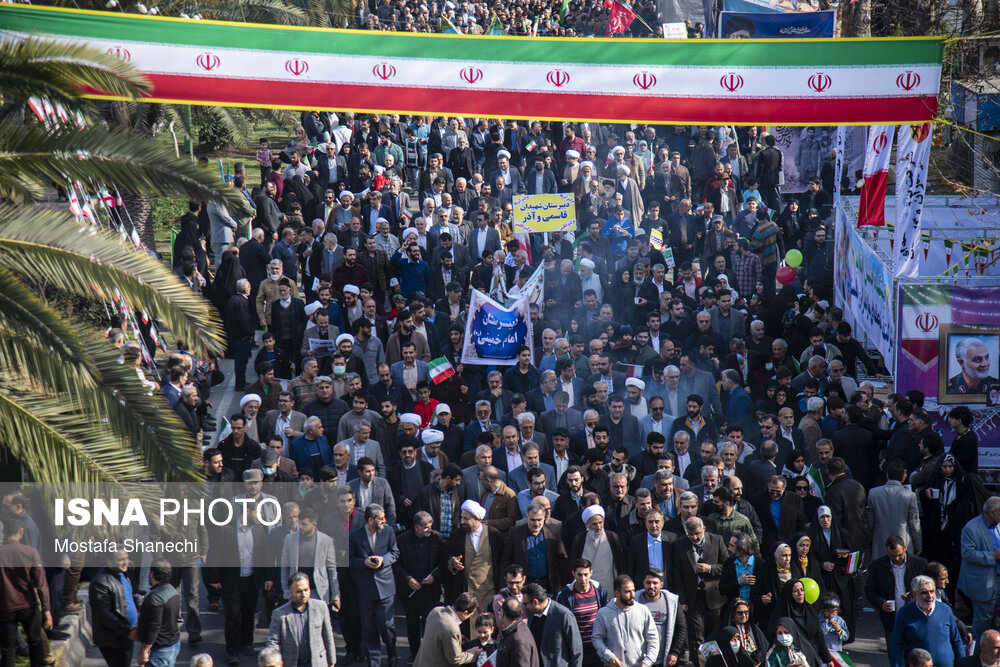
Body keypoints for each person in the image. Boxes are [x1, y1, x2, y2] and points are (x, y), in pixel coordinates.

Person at [349, 503, 399, 667]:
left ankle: (392, 656)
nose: (384, 520)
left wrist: (383, 560)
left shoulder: (389, 531)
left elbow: (394, 552)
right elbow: (349, 560)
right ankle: (374, 663)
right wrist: (364, 562)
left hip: (386, 587)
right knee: (368, 628)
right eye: (381, 518)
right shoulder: (355, 536)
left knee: (386, 625)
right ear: (370, 520)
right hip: (365, 588)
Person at [0, 515, 51, 667]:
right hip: (28, 604)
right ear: (21, 531)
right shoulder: (30, 552)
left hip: (4, 607)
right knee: (35, 643)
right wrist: (47, 611)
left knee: (8, 650)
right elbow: (41, 584)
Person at [889, 575, 964, 667]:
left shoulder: (945, 610)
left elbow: (956, 641)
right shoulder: (904, 613)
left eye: (932, 591)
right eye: (924, 592)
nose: (930, 596)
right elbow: (896, 644)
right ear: (915, 594)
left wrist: (962, 662)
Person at [266, 573, 336, 667]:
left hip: (317, 663)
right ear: (291, 592)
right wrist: (273, 661)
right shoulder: (279, 614)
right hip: (292, 664)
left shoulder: (321, 607)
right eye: (299, 591)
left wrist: (332, 661)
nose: (304, 594)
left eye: (306, 590)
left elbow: (328, 636)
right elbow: (273, 642)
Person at [592, 574, 659, 667]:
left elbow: (653, 639)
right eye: (627, 592)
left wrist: (647, 662)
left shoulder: (643, 610)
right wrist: (608, 656)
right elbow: (597, 639)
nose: (632, 595)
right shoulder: (603, 613)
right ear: (617, 593)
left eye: (633, 590)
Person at [958, 497, 1000, 641]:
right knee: (983, 622)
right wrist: (992, 556)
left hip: (998, 579)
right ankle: (976, 654)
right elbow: (968, 554)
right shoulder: (972, 528)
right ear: (991, 513)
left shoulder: (998, 525)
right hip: (983, 583)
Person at [90, 545, 138, 667]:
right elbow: (104, 615)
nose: (126, 562)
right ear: (109, 561)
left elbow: (127, 596)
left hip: (127, 634)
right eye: (121, 560)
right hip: (113, 639)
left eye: (127, 558)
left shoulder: (124, 573)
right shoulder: (101, 582)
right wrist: (127, 632)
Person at [520, 583, 584, 667]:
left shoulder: (563, 615)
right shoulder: (532, 613)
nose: (525, 607)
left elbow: (576, 650)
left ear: (535, 602)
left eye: (526, 603)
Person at [412, 592, 483, 667]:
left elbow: (438, 636)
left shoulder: (436, 611)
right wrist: (473, 653)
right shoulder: (452, 629)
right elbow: (455, 658)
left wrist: (456, 640)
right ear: (465, 613)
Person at [135, 558, 182, 667]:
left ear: (151, 574)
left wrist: (144, 650)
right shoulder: (173, 592)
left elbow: (154, 627)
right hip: (173, 645)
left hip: (159, 650)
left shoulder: (155, 598)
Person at [636, 568, 686, 667]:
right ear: (643, 583)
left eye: (655, 583)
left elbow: (681, 628)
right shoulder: (634, 602)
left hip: (663, 659)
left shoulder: (672, 602)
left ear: (661, 584)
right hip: (640, 660)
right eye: (648, 583)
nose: (651, 586)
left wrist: (674, 652)